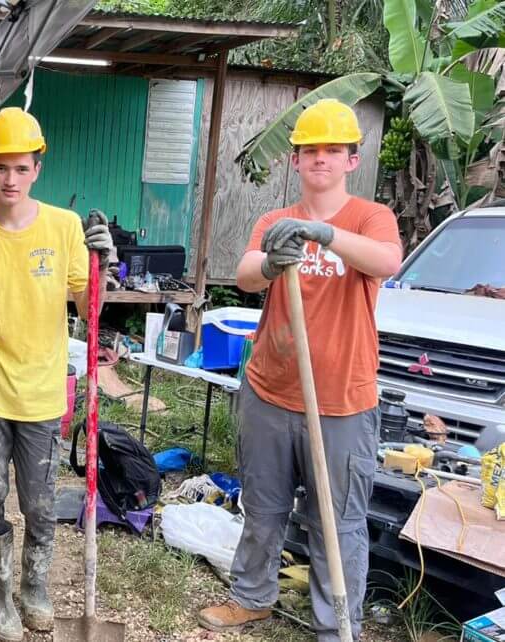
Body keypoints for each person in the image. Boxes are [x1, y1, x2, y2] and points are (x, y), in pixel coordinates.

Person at [196, 99, 402, 641]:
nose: (321, 160)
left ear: (351, 160)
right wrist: (271, 260)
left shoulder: (370, 219)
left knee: (337, 521)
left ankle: (337, 626)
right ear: (296, 160)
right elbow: (244, 277)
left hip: (341, 400)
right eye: (310, 150)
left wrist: (324, 236)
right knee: (263, 507)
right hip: (270, 389)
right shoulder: (273, 220)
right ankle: (252, 597)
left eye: (333, 151)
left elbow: (387, 261)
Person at [0, 107, 112, 641]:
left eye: (21, 168)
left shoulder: (64, 229)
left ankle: (35, 587)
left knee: (40, 505)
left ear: (37, 167)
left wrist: (102, 264)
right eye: (0, 168)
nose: (10, 179)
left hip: (42, 395)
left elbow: (90, 308)